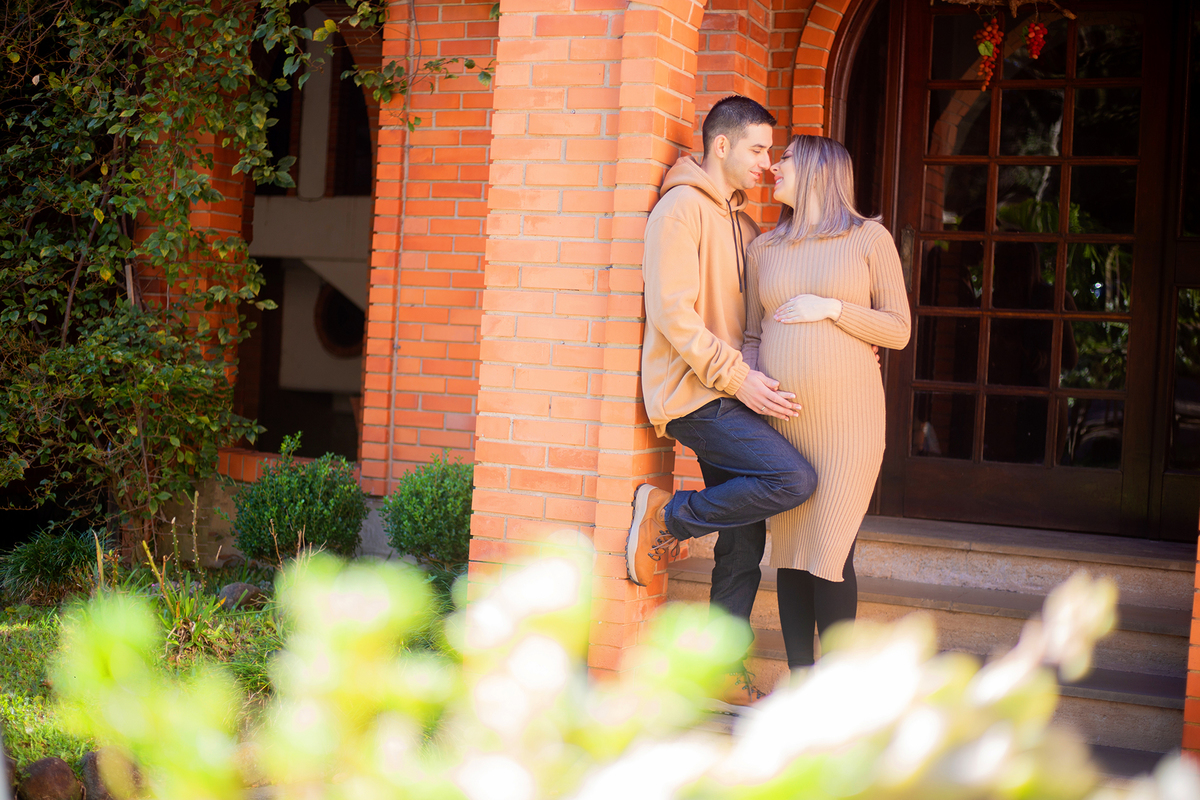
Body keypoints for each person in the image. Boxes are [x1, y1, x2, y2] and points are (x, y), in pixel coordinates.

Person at [627, 96, 819, 702]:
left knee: (746, 536)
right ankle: (668, 516)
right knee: (791, 478)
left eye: (770, 152)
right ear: (721, 145)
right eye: (758, 149)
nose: (767, 163)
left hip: (729, 390)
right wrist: (738, 379)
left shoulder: (745, 225)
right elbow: (673, 315)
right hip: (693, 393)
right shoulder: (680, 210)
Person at [741, 134, 910, 673]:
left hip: (849, 425)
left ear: (818, 168)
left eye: (786, 158)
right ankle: (801, 679)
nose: (774, 167)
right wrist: (754, 383)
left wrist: (833, 308)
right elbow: (752, 334)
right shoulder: (764, 249)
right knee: (793, 552)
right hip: (783, 424)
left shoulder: (869, 239)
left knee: (831, 552)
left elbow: (898, 329)